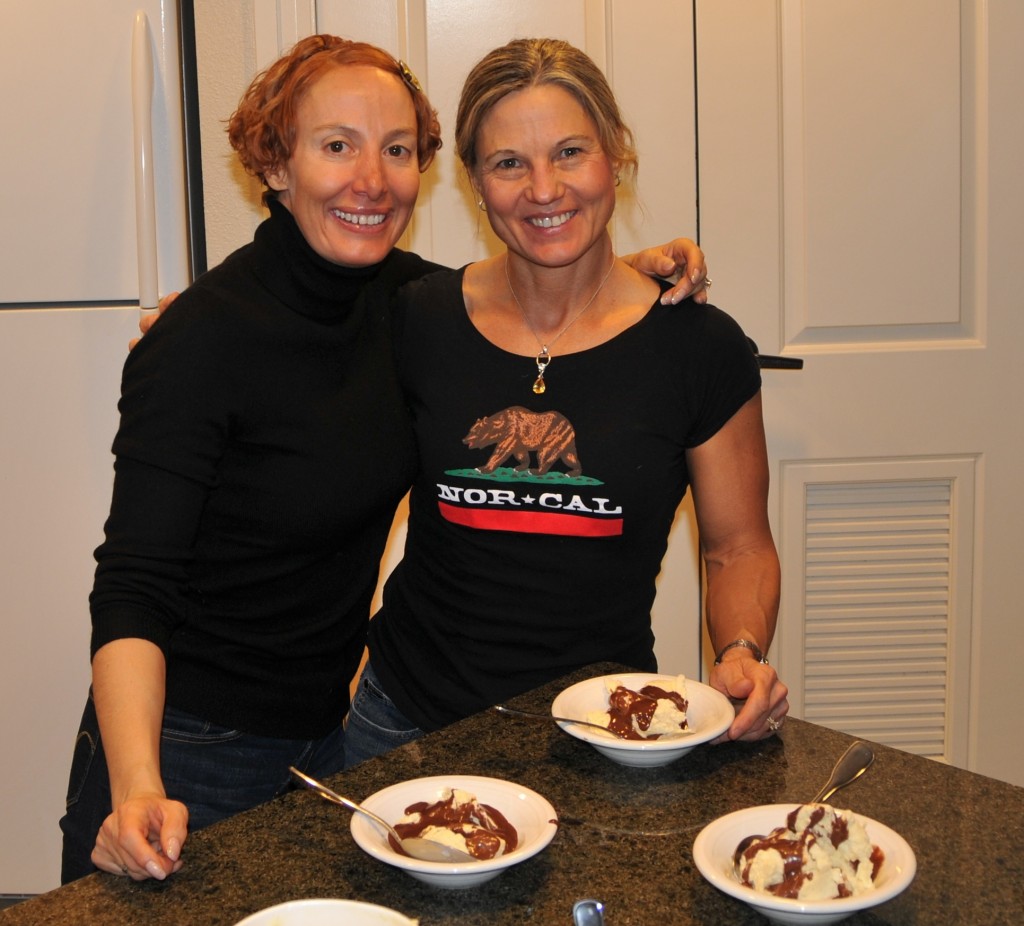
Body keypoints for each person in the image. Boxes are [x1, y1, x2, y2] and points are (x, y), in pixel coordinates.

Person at [59, 34, 708, 885]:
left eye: (397, 150)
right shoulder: (201, 340)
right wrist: (138, 782)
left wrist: (629, 268)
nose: (372, 177)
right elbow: (132, 585)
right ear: (276, 162)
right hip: (190, 749)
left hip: (332, 738)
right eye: (338, 146)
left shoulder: (404, 302)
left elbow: (531, 289)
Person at [343, 37, 787, 769]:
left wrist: (740, 650)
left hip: (605, 730)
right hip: (406, 727)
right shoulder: (415, 317)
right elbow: (290, 331)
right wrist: (204, 324)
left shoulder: (698, 348)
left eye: (571, 153)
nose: (543, 190)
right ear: (474, 183)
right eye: (509, 163)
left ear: (616, 156)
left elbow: (736, 545)